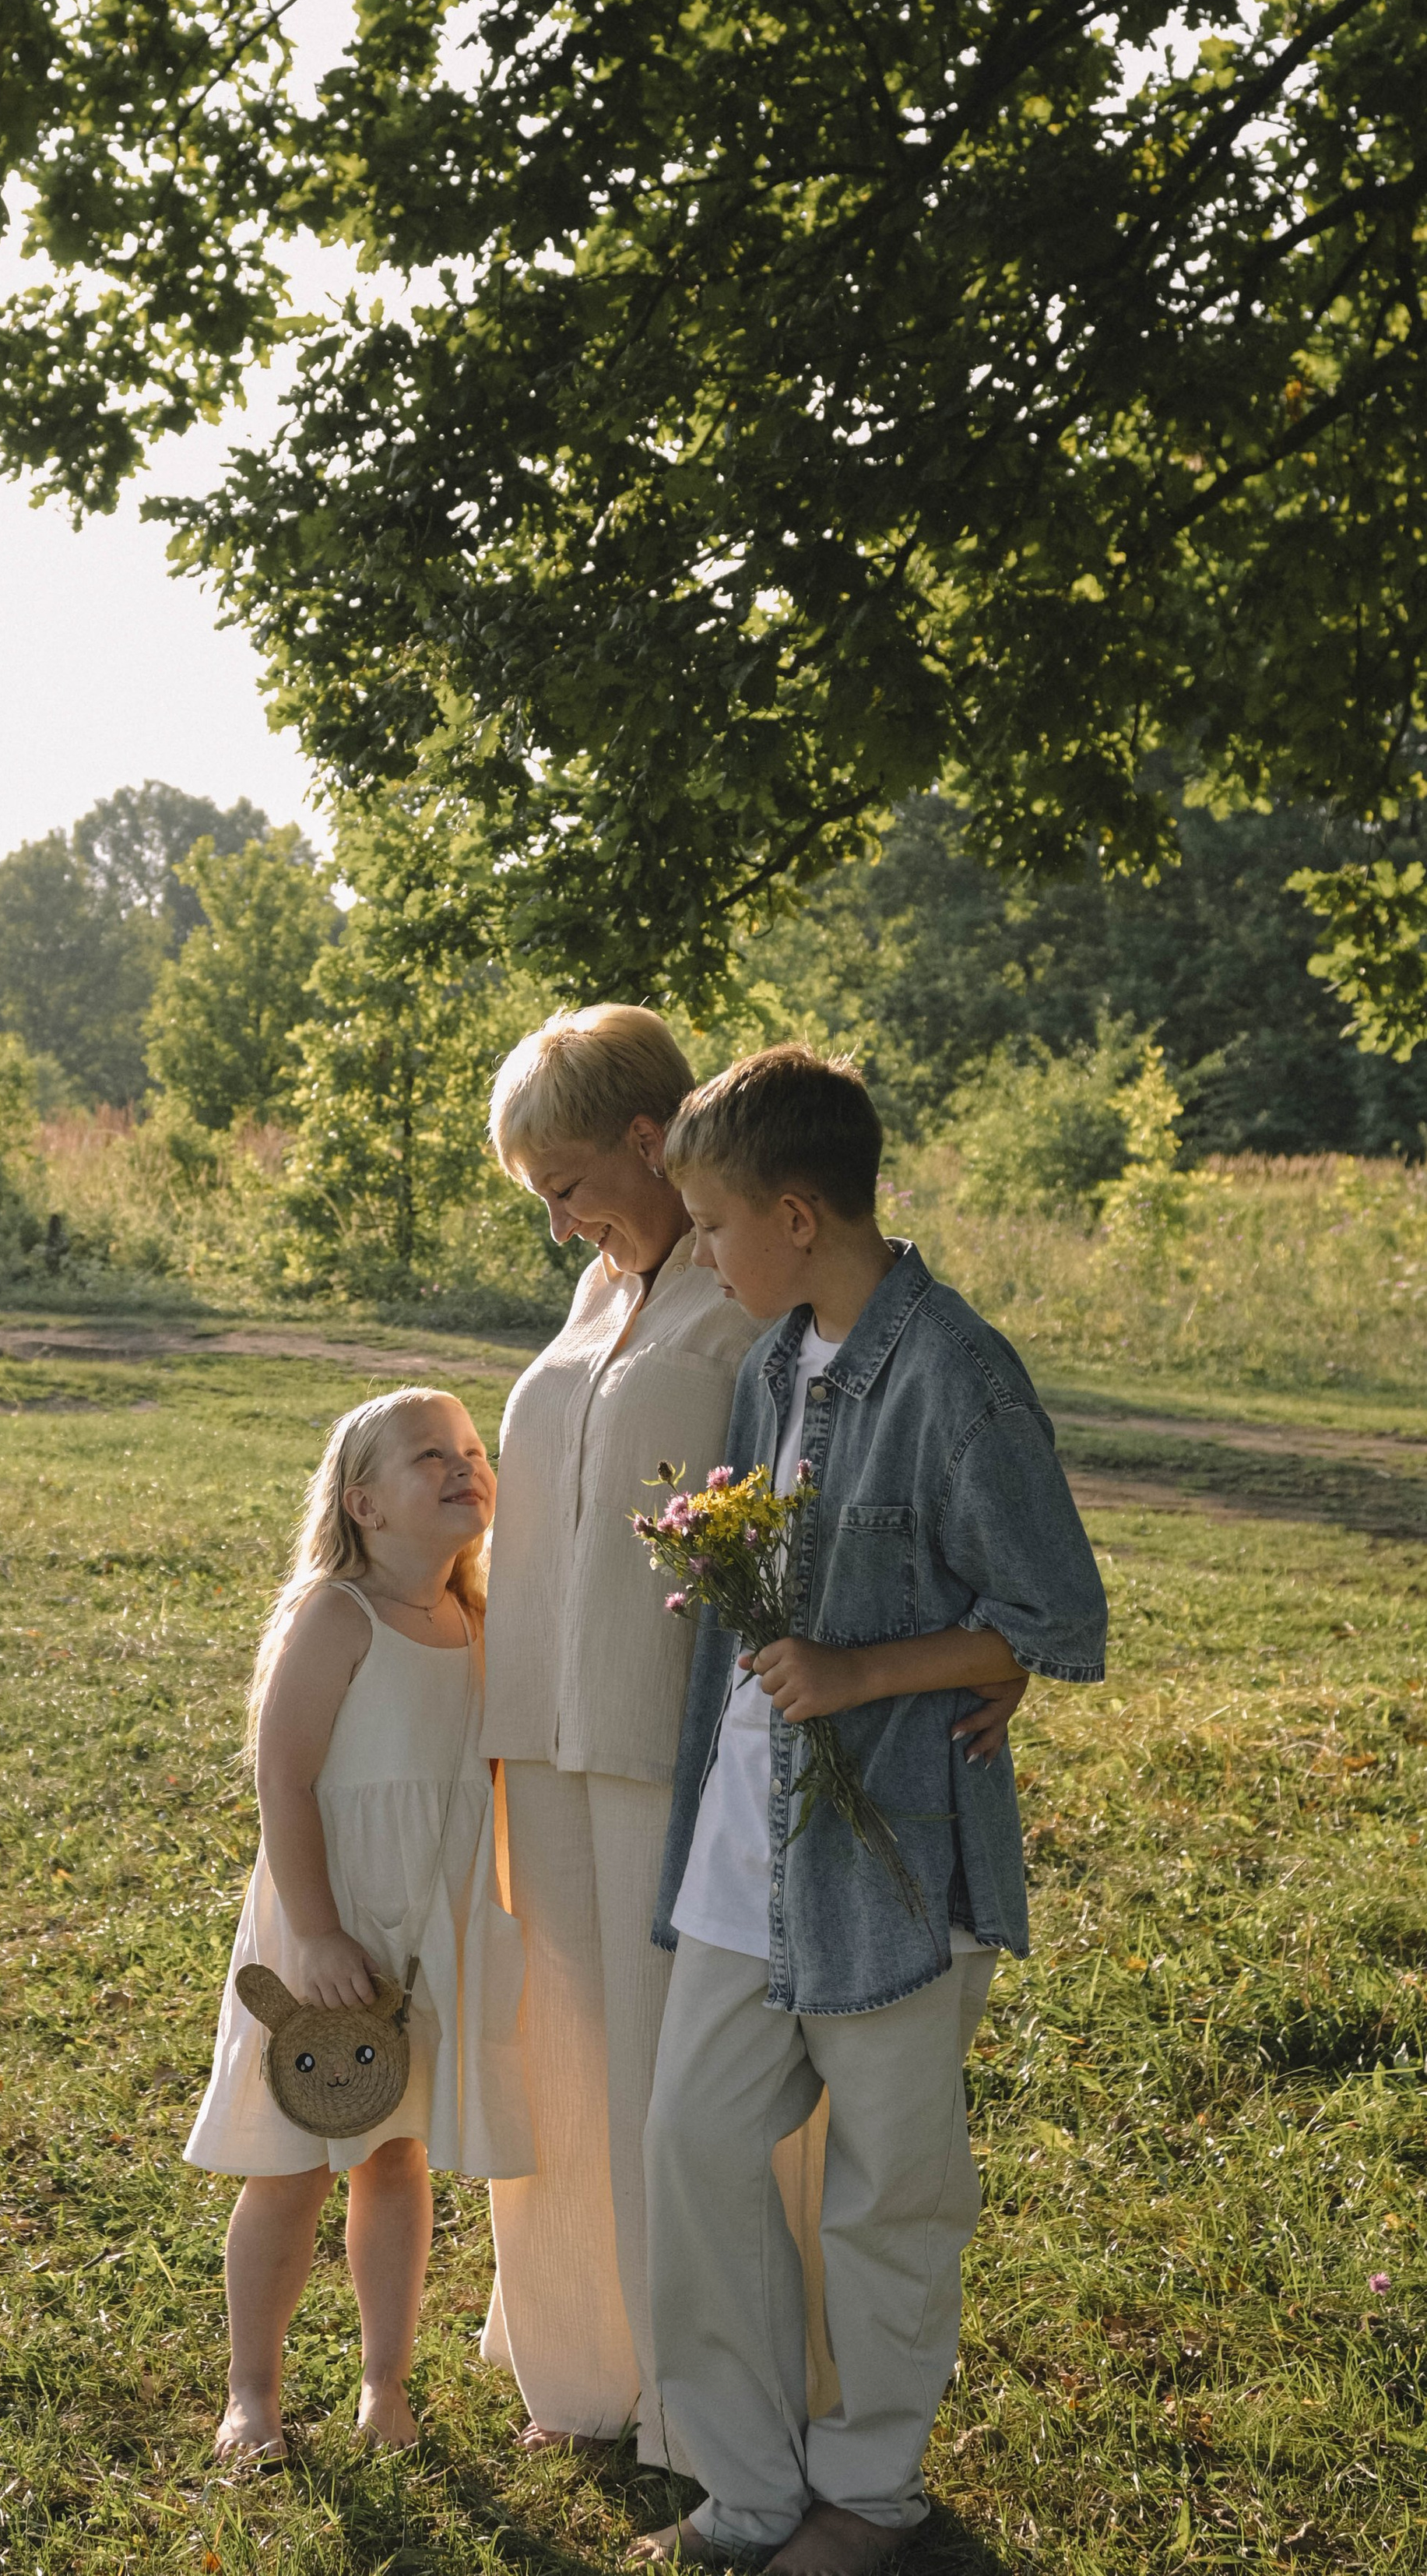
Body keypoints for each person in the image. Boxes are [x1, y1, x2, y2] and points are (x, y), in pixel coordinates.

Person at [476, 1006, 1025, 2463]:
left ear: (652, 1142)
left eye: (566, 1182)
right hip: (543, 1718)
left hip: (689, 1733)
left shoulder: (758, 1299)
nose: (559, 1220)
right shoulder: (601, 1292)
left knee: (688, 2078)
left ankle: (713, 2404)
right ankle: (591, 2363)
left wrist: (980, 1648)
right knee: (574, 2053)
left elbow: (867, 1485)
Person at [633, 1045, 1109, 2573]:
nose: (697, 1256)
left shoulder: (954, 1374)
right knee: (693, 2154)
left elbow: (1056, 1616)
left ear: (791, 1210)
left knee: (887, 2200)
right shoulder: (769, 1365)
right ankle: (750, 2494)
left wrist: (865, 1672)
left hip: (896, 1859)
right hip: (737, 1856)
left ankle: (866, 2499)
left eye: (705, 1224)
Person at [185, 1388, 533, 2461]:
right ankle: (253, 2394)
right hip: (325, 1923)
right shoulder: (339, 1614)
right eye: (428, 1455)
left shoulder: (475, 1620)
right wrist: (323, 1932)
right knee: (290, 2160)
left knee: (395, 2152)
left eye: (473, 1450)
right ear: (364, 1504)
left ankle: (386, 2386)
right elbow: (284, 1782)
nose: (462, 1466)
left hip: (423, 1934)